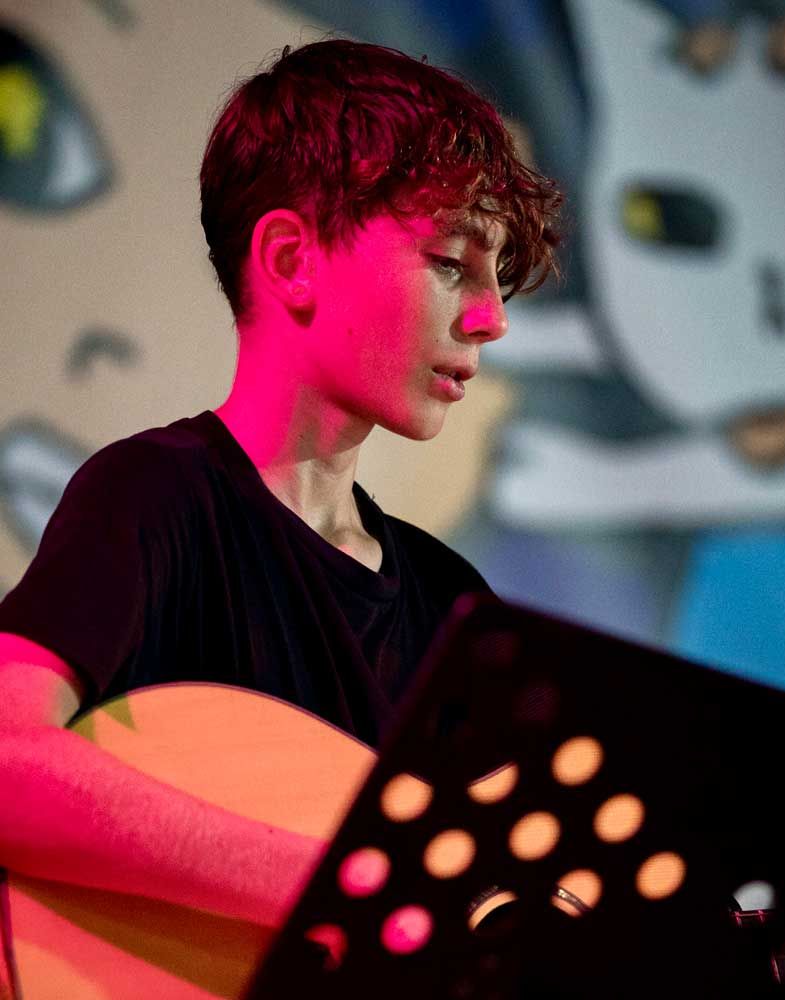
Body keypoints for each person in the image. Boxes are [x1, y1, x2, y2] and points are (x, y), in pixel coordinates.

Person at [0, 39, 560, 933]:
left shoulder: (453, 602)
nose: (491, 319)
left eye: (499, 281)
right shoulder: (155, 499)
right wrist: (350, 882)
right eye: (452, 264)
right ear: (294, 260)